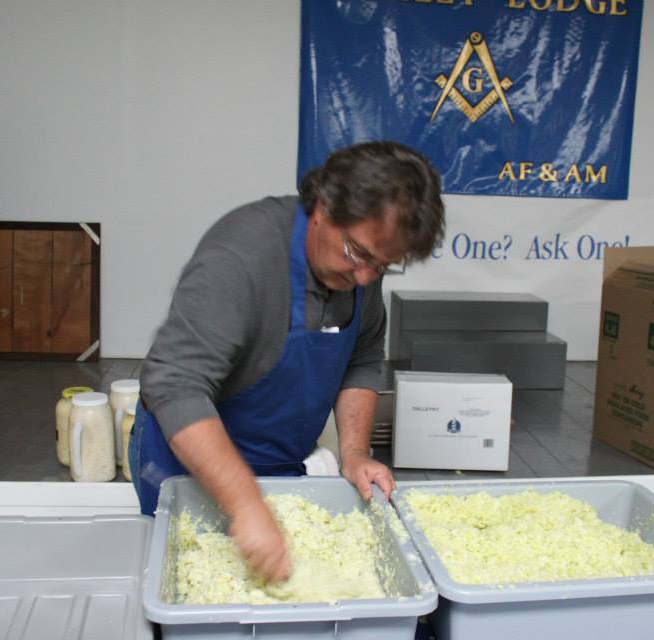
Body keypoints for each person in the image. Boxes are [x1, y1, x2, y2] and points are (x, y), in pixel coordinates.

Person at [130, 140, 445, 582]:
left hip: (278, 462)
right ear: (323, 208)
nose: (365, 278)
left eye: (381, 266)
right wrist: (245, 504)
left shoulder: (359, 265)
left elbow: (363, 355)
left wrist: (354, 453)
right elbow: (174, 385)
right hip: (186, 467)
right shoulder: (239, 258)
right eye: (358, 255)